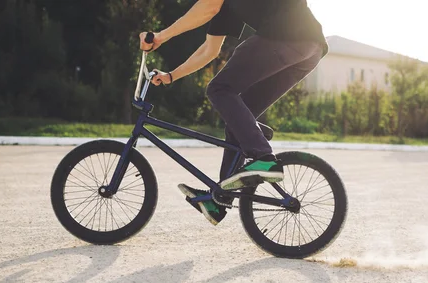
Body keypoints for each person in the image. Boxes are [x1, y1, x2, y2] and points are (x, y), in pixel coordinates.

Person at [139, 0, 328, 226]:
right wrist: (171, 76)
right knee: (238, 121)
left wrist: (161, 35)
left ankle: (263, 158)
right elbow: (209, 50)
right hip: (308, 49)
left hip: (285, 37)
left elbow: (207, 7)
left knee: (219, 89)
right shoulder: (228, 6)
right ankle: (219, 199)